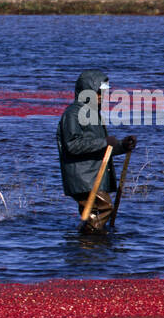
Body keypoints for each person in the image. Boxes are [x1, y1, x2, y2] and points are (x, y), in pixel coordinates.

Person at [57, 69, 135, 232]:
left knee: (94, 214)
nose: (101, 97)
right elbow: (72, 145)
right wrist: (105, 142)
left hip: (93, 176)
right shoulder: (73, 113)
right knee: (104, 208)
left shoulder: (94, 115)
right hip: (83, 178)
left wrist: (122, 146)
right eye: (98, 93)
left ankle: (89, 249)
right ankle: (92, 240)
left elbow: (101, 149)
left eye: (103, 93)